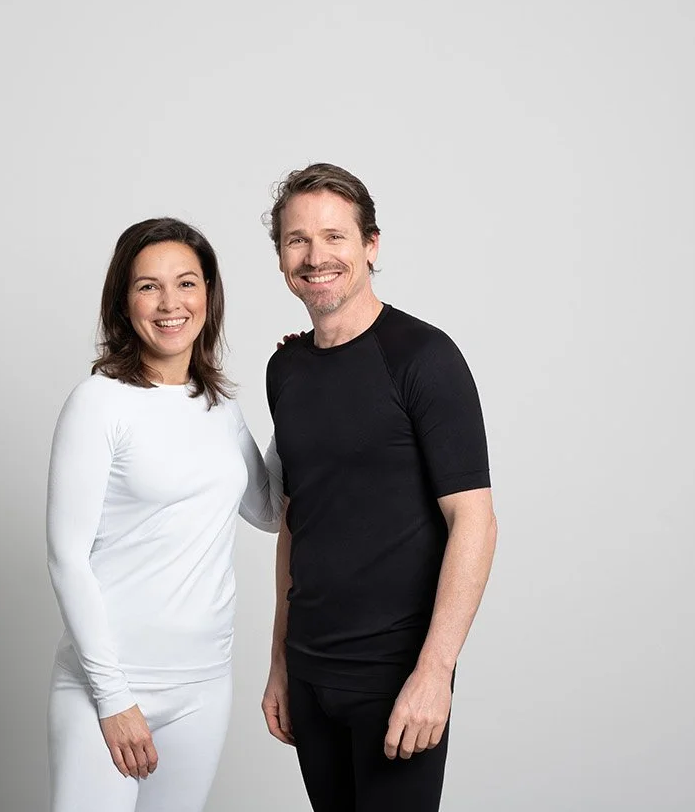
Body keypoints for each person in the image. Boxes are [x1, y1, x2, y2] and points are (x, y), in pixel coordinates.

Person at [259, 164, 498, 812]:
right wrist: (280, 660)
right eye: (297, 240)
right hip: (309, 675)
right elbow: (294, 518)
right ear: (280, 255)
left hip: (396, 677)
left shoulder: (424, 357)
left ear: (371, 244)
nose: (315, 257)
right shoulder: (285, 367)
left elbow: (474, 521)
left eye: (334, 236)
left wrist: (435, 672)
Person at [47, 217, 283, 812]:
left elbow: (269, 509)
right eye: (148, 286)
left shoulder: (218, 405)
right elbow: (66, 559)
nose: (170, 303)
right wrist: (113, 697)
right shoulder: (99, 402)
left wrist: (293, 397)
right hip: (113, 684)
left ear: (209, 295)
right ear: (124, 303)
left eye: (186, 283)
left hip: (204, 684)